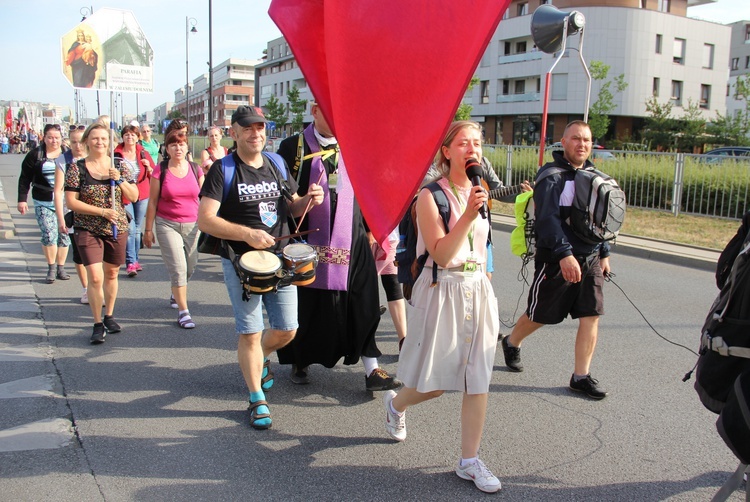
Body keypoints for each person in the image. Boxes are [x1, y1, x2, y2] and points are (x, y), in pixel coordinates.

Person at [382, 121, 501, 494]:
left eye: (477, 143)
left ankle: (469, 461)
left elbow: (484, 247)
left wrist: (487, 284)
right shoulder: (429, 197)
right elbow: (443, 253)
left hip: (477, 289)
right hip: (442, 287)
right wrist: (467, 213)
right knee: (434, 385)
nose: (472, 149)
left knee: (477, 379)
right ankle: (397, 404)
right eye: (464, 142)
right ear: (446, 151)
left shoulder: (481, 192)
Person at [197, 105, 323, 429]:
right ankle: (257, 399)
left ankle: (258, 359)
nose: (256, 133)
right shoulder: (222, 169)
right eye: (248, 128)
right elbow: (205, 220)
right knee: (250, 332)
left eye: (260, 127)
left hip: (279, 259)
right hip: (242, 264)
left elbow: (291, 205)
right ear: (235, 132)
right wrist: (247, 234)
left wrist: (309, 198)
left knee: (287, 330)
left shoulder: (277, 163)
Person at [276, 101, 400, 390]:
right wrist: (305, 198)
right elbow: (284, 195)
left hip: (352, 237)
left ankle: (372, 368)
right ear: (314, 110)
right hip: (306, 239)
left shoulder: (356, 145)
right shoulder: (293, 147)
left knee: (364, 301)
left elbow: (371, 190)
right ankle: (300, 359)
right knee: (308, 305)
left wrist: (372, 230)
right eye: (328, 109)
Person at [500, 120, 611, 400]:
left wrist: (605, 253)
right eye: (576, 139)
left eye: (586, 139)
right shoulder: (551, 176)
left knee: (591, 315)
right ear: (563, 142)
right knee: (542, 315)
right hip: (556, 259)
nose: (582, 144)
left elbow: (599, 220)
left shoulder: (595, 176)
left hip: (591, 258)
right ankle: (512, 341)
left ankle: (580, 376)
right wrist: (564, 255)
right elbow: (546, 221)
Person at [64, 123, 138, 344]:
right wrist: (102, 212)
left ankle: (109, 316)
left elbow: (134, 196)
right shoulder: (77, 168)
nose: (100, 142)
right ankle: (97, 323)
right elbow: (71, 202)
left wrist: (121, 179)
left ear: (110, 142)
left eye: (104, 139)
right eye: (95, 138)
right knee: (95, 277)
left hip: (116, 228)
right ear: (87, 141)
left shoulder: (119, 166)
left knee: (112, 274)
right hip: (88, 228)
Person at [144, 129, 203, 328]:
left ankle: (176, 291)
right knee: (179, 268)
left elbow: (204, 199)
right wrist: (148, 230)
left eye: (182, 144)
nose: (178, 148)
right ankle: (183, 311)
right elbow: (152, 201)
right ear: (167, 149)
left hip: (194, 225)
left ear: (187, 147)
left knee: (190, 265)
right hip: (167, 223)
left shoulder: (196, 169)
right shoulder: (161, 170)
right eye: (173, 145)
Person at [17, 123, 71, 283]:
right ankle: (51, 266)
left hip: (65, 201)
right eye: (50, 137)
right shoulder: (35, 155)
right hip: (43, 199)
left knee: (64, 236)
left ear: (62, 138)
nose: (54, 141)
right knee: (49, 234)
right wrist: (22, 199)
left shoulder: (68, 155)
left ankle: (61, 267)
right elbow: (24, 178)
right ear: (44, 138)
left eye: (57, 138)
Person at [54, 125, 90, 303]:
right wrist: (61, 219)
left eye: (81, 141)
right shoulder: (64, 160)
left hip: (94, 214)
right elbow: (58, 191)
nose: (78, 146)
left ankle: (97, 286)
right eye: (74, 142)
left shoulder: (95, 158)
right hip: (73, 214)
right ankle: (86, 289)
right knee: (79, 254)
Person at [114, 124, 154, 277]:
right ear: (122, 137)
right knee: (130, 229)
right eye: (127, 135)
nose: (130, 137)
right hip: (124, 194)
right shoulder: (116, 153)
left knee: (137, 228)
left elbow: (154, 173)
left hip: (142, 193)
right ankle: (130, 262)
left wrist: (148, 166)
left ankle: (135, 259)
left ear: (138, 137)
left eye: (133, 135)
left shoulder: (142, 152)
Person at [369, 228, 407, 350]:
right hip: (388, 237)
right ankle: (403, 341)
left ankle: (403, 341)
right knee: (392, 285)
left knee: (366, 283)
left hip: (378, 238)